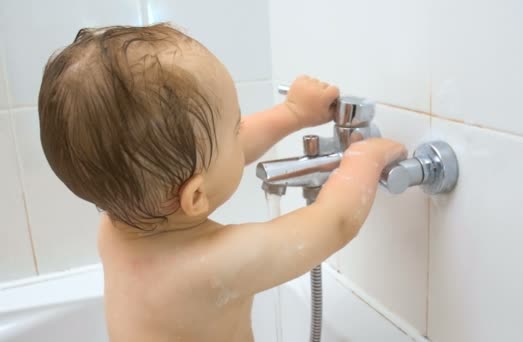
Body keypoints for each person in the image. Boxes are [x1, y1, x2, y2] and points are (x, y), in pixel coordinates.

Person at [38, 23, 406, 342]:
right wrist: (364, 158)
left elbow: (219, 156)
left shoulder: (116, 228)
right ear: (195, 196)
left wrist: (292, 114)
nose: (242, 135)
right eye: (235, 128)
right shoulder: (212, 265)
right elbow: (334, 223)